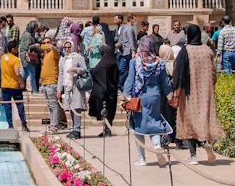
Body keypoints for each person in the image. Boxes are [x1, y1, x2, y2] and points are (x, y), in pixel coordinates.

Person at [173, 24, 224, 165]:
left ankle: (193, 155)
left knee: (189, 121)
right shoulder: (207, 50)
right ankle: (206, 142)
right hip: (206, 92)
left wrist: (176, 91)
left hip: (190, 92)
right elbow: (214, 72)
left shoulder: (185, 51)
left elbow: (179, 72)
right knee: (204, 118)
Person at [124, 36, 172, 166]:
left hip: (140, 97)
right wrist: (170, 96)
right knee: (154, 121)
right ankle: (156, 145)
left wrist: (126, 95)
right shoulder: (159, 62)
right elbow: (166, 82)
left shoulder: (135, 61)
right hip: (155, 96)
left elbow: (131, 79)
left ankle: (142, 158)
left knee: (139, 126)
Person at [57, 40, 88, 139]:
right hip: (68, 86)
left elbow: (84, 69)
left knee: (77, 107)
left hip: (76, 86)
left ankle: (77, 130)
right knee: (70, 108)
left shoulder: (78, 57)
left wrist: (76, 69)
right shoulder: (63, 59)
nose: (66, 49)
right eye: (64, 48)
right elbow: (61, 75)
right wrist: (59, 89)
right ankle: (74, 128)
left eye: (68, 47)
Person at [88, 45, 119, 137]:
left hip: (104, 92)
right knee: (110, 110)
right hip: (112, 91)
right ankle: (108, 129)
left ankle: (106, 129)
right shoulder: (114, 63)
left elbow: (94, 72)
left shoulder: (103, 64)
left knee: (104, 110)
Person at [0, 42, 29, 131]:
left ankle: (10, 125)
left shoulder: (3, 58)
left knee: (7, 106)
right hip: (14, 85)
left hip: (4, 85)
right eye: (16, 48)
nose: (17, 49)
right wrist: (22, 82)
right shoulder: (15, 59)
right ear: (13, 49)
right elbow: (17, 72)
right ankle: (23, 125)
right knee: (20, 105)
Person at [40, 37, 63, 130]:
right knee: (50, 106)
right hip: (45, 83)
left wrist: (53, 47)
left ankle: (54, 126)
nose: (47, 44)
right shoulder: (45, 53)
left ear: (52, 42)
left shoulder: (54, 52)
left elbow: (58, 53)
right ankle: (53, 124)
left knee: (54, 105)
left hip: (52, 82)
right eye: (45, 42)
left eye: (48, 42)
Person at [19, 21, 40, 94]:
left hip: (24, 56)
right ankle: (34, 90)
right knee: (32, 73)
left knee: (26, 73)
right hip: (27, 56)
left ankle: (16, 85)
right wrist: (35, 45)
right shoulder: (28, 35)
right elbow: (27, 47)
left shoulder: (27, 34)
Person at [114, 14, 134, 87]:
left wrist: (132, 50)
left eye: (116, 20)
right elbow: (116, 38)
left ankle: (120, 85)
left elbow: (128, 40)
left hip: (124, 51)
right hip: (118, 51)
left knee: (123, 69)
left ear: (120, 19)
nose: (114, 21)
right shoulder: (117, 28)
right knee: (119, 69)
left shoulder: (126, 28)